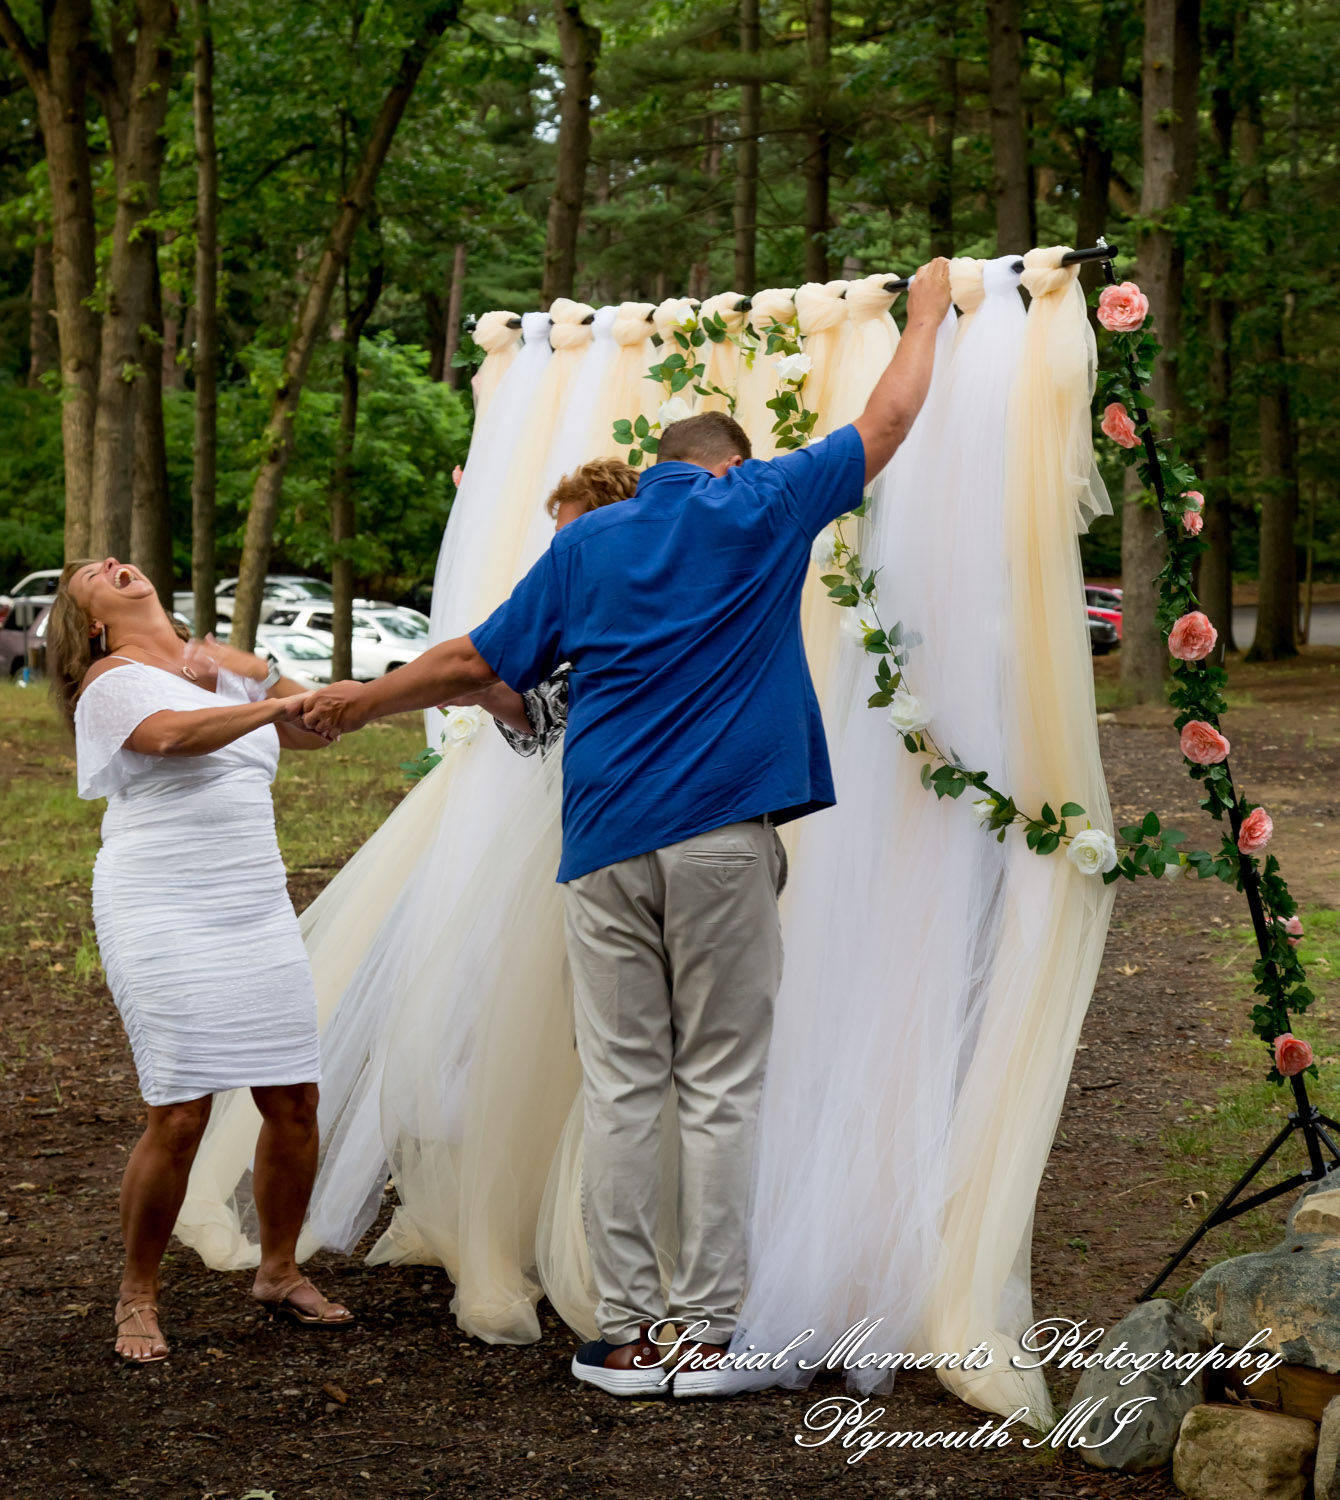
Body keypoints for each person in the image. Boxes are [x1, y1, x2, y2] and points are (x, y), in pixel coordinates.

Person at [301, 257, 954, 1397]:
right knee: (716, 1082)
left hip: (602, 844)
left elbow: (470, 662)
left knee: (620, 1086)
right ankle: (703, 1331)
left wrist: (356, 702)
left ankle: (624, 1334)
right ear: (730, 462)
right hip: (717, 840)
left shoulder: (584, 544)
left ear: (650, 470)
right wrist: (931, 308)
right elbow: (888, 417)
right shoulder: (759, 503)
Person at [47, 558, 354, 1364]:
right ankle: (137, 1293)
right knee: (180, 1110)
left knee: (294, 1097)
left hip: (253, 900)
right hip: (162, 902)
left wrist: (266, 676)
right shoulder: (112, 680)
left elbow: (311, 729)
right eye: (92, 575)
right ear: (91, 623)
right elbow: (173, 738)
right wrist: (264, 702)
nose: (115, 564)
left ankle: (279, 1270)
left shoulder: (214, 672)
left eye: (116, 559)